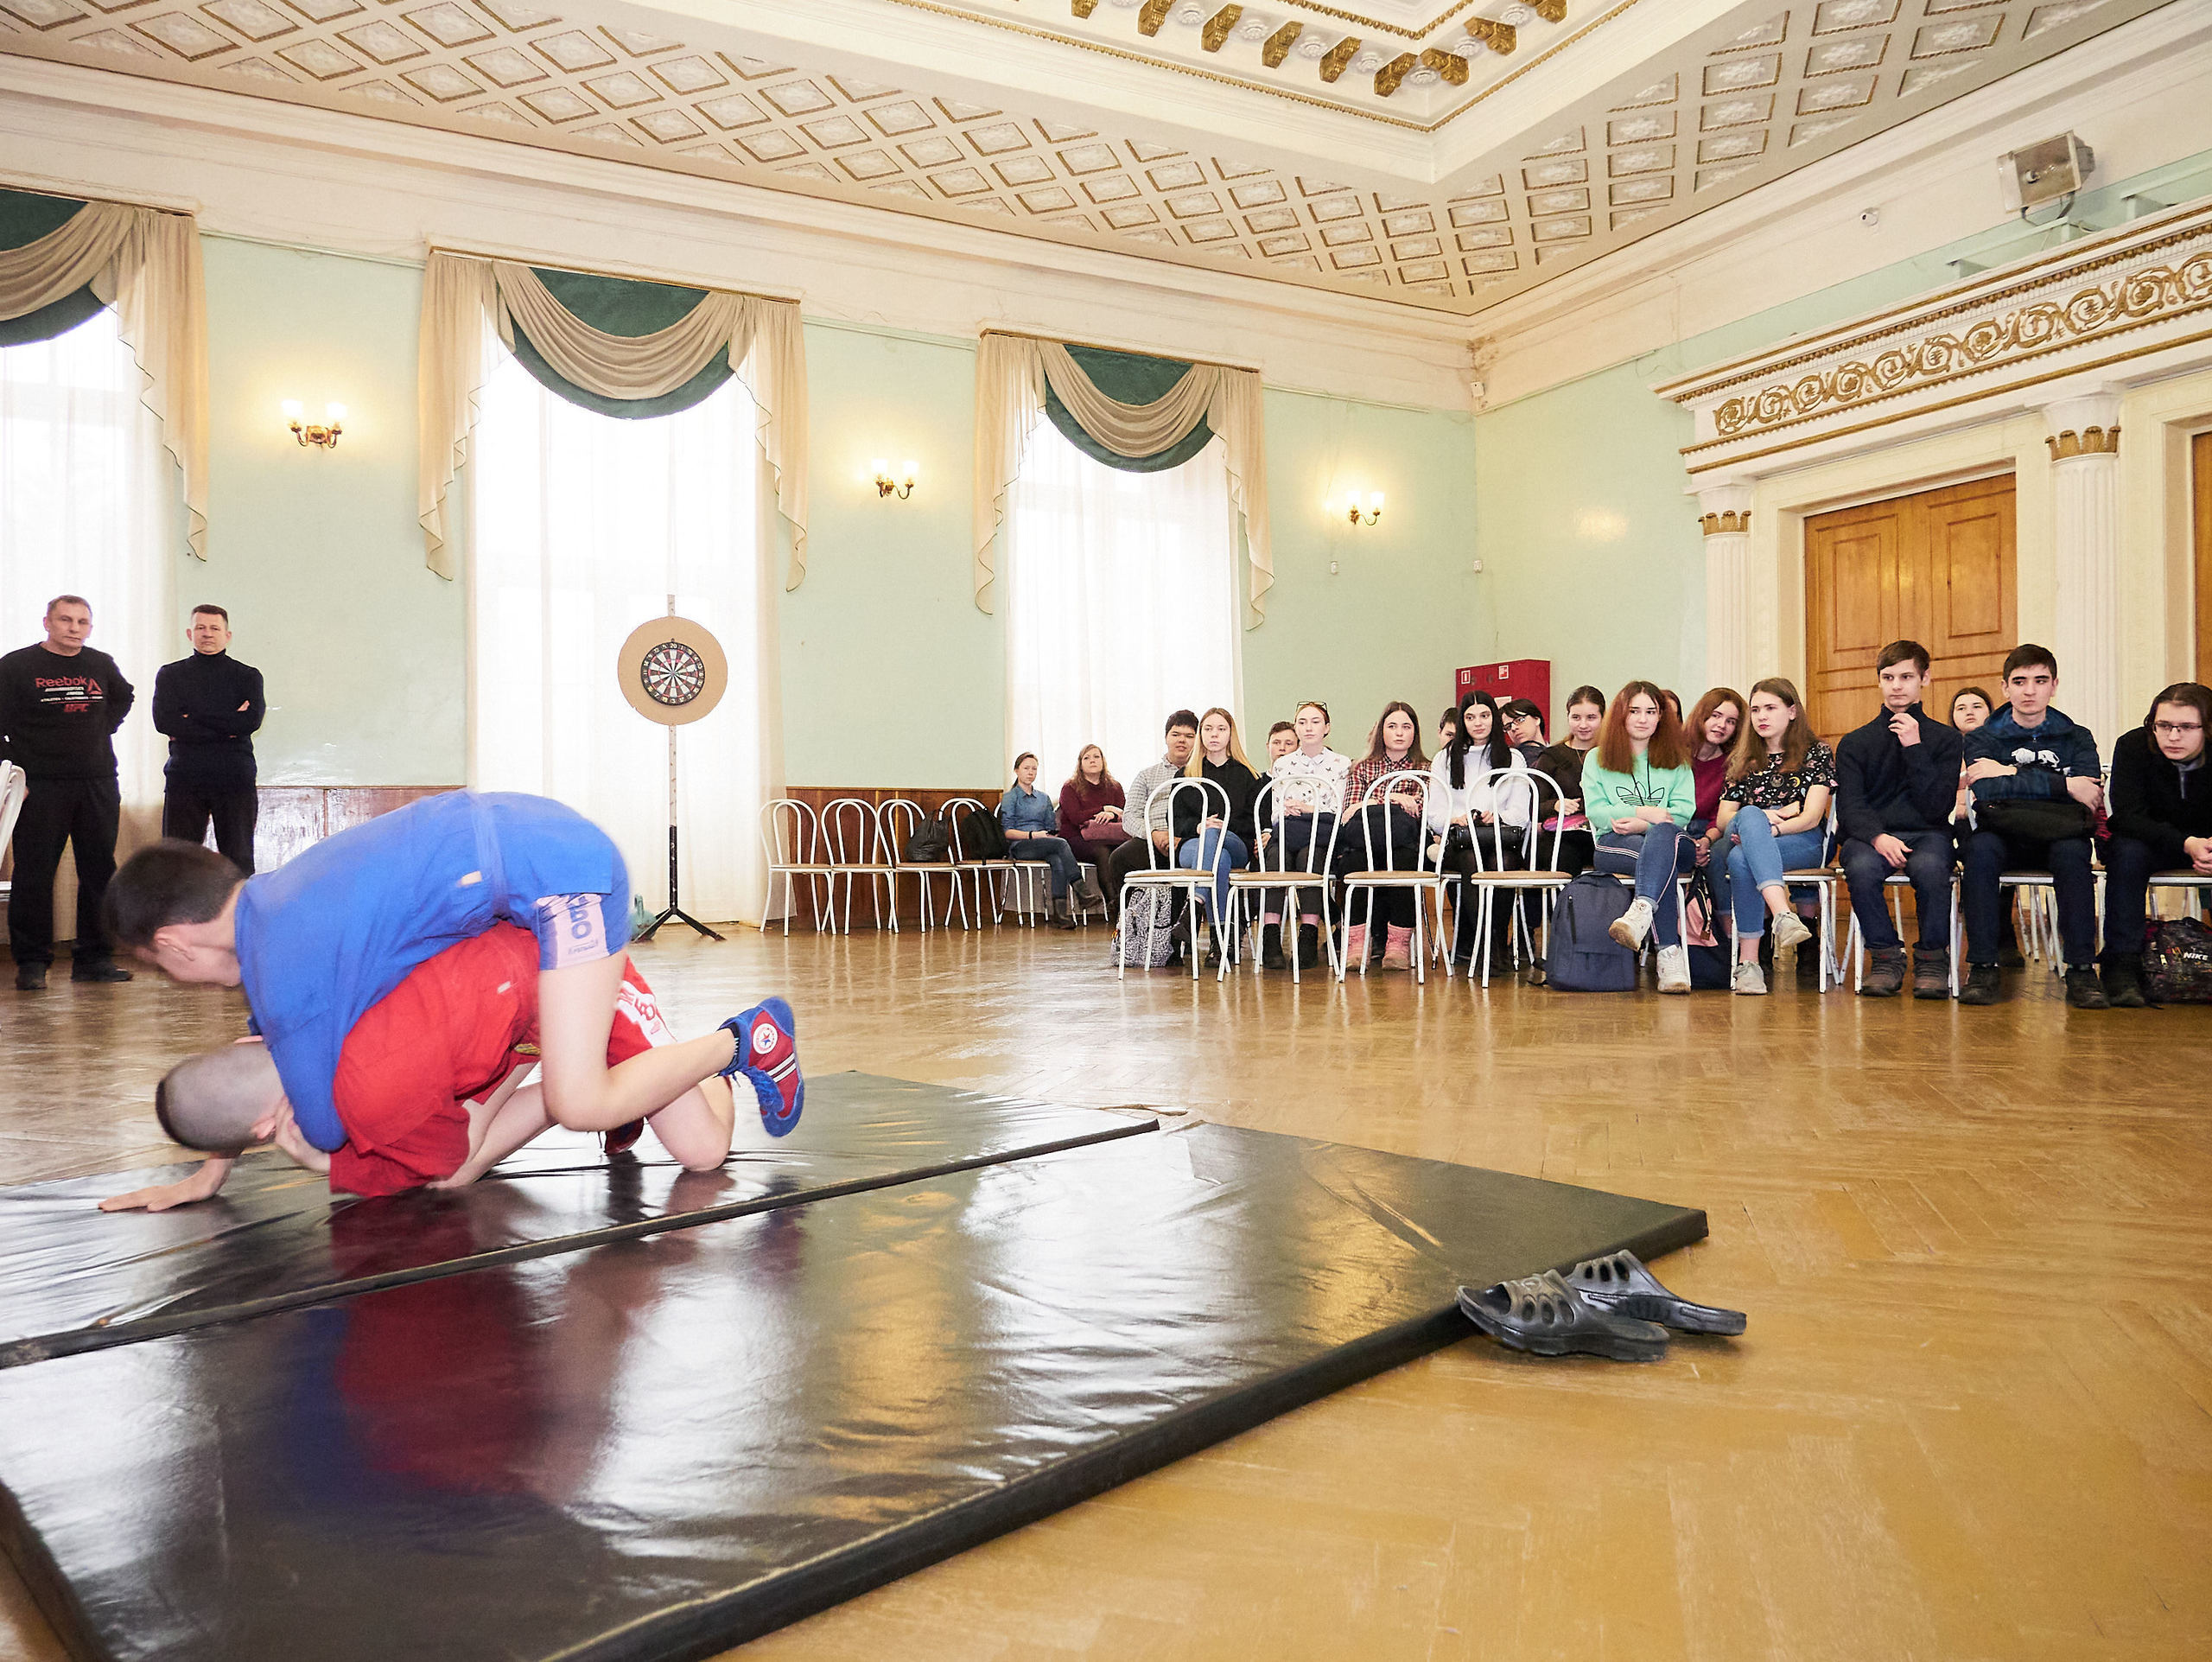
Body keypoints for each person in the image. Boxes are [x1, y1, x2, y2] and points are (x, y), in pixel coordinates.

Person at [102, 792, 804, 1149]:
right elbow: (258, 1057)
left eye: (158, 964)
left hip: (563, 880)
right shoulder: (275, 905)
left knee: (585, 1103)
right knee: (615, 1110)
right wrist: (215, 1159)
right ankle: (616, 1072)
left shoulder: (284, 969)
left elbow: (323, 1127)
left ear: (175, 945)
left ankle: (744, 1041)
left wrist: (263, 1128)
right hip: (524, 869)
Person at [97, 922, 739, 1210]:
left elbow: (434, 1157)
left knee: (704, 1152)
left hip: (567, 971)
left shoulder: (373, 1088)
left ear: (268, 1128)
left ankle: (733, 1045)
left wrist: (328, 1164)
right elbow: (232, 1083)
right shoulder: (281, 1015)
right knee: (463, 1171)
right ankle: (585, 1085)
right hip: (498, 1014)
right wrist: (211, 1174)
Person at [1957, 644, 2105, 1009]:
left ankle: (2082, 969)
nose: (2029, 691)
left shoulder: (2077, 736)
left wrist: (2009, 772)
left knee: (2075, 855)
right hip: (2002, 830)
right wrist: (2063, 784)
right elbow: (1987, 789)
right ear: (2005, 687)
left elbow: (2088, 792)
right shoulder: (1982, 737)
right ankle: (1983, 966)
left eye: (2040, 681)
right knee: (1978, 851)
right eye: (2020, 681)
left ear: (2054, 686)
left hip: (2059, 831)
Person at [1, 595, 136, 990]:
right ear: (47, 622)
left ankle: (94, 959)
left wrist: (101, 728)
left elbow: (123, 697)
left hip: (97, 781)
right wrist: (14, 774)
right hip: (40, 785)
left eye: (82, 622)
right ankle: (32, 963)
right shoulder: (15, 667)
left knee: (99, 871)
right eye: (65, 620)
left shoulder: (100, 664)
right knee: (34, 873)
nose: (74, 628)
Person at [1834, 640, 1962, 999]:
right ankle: (1886, 956)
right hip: (1872, 835)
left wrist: (1914, 746)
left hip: (1928, 831)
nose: (1896, 686)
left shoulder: (1946, 739)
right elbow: (1850, 806)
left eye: (1906, 677)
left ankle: (1932, 959)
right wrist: (1878, 837)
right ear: (1879, 681)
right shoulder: (1855, 742)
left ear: (1925, 679)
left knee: (1932, 869)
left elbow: (1937, 806)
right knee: (1860, 868)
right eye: (1888, 677)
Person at [1713, 678, 1831, 996]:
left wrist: (1768, 830)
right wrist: (1761, 818)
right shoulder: (1742, 757)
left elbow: (1811, 817)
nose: (1761, 716)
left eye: (1770, 708)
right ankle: (1782, 914)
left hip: (1801, 840)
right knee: (1750, 818)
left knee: (1742, 857)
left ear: (1792, 711)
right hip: (1748, 833)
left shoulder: (1816, 752)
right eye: (1755, 710)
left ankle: (1749, 963)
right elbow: (1724, 819)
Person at [2100, 682, 2212, 1008]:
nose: (2173, 736)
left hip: (2206, 843)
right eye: (2163, 725)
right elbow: (2126, 816)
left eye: (2186, 727)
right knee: (2126, 852)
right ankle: (2121, 965)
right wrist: (2186, 843)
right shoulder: (2133, 746)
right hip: (2151, 841)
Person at [1587, 682, 1695, 993]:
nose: (1643, 719)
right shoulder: (1597, 759)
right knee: (1660, 864)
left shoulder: (1677, 760)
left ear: (1661, 717)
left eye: (1651, 711)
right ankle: (1669, 954)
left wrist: (1641, 825)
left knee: (1662, 839)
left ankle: (1642, 910)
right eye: (1634, 711)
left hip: (1673, 841)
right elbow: (1597, 812)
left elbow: (1682, 814)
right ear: (1621, 715)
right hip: (1614, 844)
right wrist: (1645, 813)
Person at [153, 604, 265, 876]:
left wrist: (192, 716)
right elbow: (164, 722)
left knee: (238, 859)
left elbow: (250, 722)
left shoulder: (247, 676)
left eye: (215, 628)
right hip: (185, 777)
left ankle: (238, 907)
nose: (207, 634)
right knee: (177, 861)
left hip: (234, 778)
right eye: (201, 628)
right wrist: (228, 723)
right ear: (190, 633)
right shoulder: (170, 675)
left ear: (227, 635)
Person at [1429, 689, 1529, 969]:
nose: (1478, 723)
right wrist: (1458, 818)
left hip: (1500, 838)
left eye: (1484, 715)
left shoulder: (1513, 758)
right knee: (1472, 859)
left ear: (1494, 718)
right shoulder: (1445, 758)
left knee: (1503, 862)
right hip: (1460, 841)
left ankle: (1494, 941)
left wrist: (1497, 816)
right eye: (1470, 717)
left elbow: (1521, 814)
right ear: (1462, 721)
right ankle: (1485, 944)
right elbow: (1434, 814)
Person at [1338, 701, 1430, 971]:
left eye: (1406, 727)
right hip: (1365, 842)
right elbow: (1349, 811)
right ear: (1381, 731)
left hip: (1405, 844)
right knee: (1354, 862)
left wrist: (1372, 801)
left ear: (1415, 733)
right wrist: (1395, 798)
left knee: (1404, 861)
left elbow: (1422, 809)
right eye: (1392, 726)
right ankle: (1358, 943)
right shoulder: (1362, 767)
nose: (1399, 732)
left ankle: (1398, 945)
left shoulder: (1426, 768)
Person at [1263, 700, 1351, 971]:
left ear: (1327, 728)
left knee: (1309, 857)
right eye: (1302, 722)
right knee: (1276, 857)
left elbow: (1339, 810)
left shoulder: (1341, 763)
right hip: (1288, 833)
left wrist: (1307, 808)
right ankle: (1270, 937)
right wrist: (1290, 810)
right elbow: (1276, 812)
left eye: (1315, 722)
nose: (1308, 727)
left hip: (1320, 836)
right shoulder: (1283, 765)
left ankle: (1308, 936)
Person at [1173, 707, 1261, 965]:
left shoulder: (1247, 775)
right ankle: (1222, 943)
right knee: (1218, 859)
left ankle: (1195, 904)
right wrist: (1199, 826)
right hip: (1194, 845)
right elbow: (1175, 822)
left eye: (1221, 729)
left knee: (1216, 839)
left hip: (1235, 842)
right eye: (1208, 729)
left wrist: (1222, 825)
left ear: (1231, 734)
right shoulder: (1185, 774)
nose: (1214, 734)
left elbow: (1253, 823)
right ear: (1201, 734)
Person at [1103, 711, 1199, 924]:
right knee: (1119, 858)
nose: (1182, 740)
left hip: (1189, 840)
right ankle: (1132, 923)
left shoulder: (1204, 774)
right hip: (1152, 841)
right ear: (1166, 738)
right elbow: (1130, 816)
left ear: (1197, 740)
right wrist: (1154, 834)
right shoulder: (1147, 775)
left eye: (1189, 736)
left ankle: (1179, 929)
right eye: (1176, 734)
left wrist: (1182, 838)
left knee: (1192, 865)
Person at [1948, 685, 2021, 965]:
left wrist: (1968, 801)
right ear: (1952, 716)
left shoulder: (2006, 747)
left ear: (1991, 712)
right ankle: (1988, 937)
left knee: (1998, 836)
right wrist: (1963, 804)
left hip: (1999, 823)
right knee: (1974, 840)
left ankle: (2004, 929)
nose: (1969, 712)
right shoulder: (1944, 749)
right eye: (1961, 707)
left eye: (1977, 706)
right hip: (1953, 829)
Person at [1000, 752, 1081, 929]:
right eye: (1026, 768)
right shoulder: (1010, 797)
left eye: (1034, 769)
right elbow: (1007, 832)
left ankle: (1060, 914)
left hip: (1044, 843)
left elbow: (1051, 827)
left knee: (1058, 859)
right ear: (1016, 771)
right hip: (1021, 845)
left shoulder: (1043, 798)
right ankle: (1080, 888)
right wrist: (1032, 835)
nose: (1030, 772)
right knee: (1062, 844)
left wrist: (1047, 835)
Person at [1535, 685, 1605, 876]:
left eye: (1591, 718)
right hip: (1561, 836)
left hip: (1603, 834)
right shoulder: (1551, 757)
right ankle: (1567, 897)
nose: (1583, 725)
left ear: (1603, 718)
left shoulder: (1611, 756)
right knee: (1563, 853)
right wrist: (1556, 805)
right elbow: (1533, 807)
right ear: (1568, 717)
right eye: (1576, 717)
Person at [1056, 744, 1124, 908]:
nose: (1092, 760)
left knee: (1124, 853)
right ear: (1080, 764)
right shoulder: (1070, 787)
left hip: (1110, 837)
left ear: (1103, 761)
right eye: (1087, 758)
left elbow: (1124, 813)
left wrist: (1112, 815)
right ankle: (1114, 905)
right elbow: (1075, 817)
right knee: (1102, 852)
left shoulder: (1115, 787)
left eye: (1096, 757)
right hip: (1076, 837)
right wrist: (1103, 809)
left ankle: (1131, 904)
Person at [1499, 698, 1548, 766]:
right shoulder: (1509, 759)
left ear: (1536, 719)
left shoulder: (1556, 753)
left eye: (1519, 720)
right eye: (1508, 726)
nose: (1513, 728)